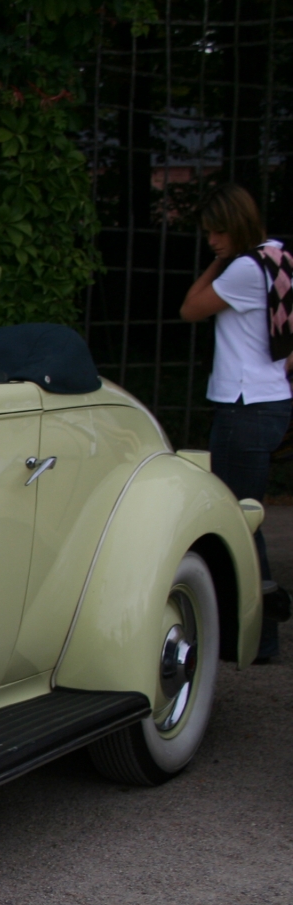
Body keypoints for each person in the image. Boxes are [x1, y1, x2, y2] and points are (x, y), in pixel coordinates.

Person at [180, 182, 292, 661]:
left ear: (238, 226)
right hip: (271, 401)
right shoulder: (278, 256)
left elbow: (191, 308)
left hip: (244, 408)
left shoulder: (245, 268)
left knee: (241, 521)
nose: (212, 242)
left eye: (218, 232)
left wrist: (221, 262)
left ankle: (260, 641)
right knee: (248, 517)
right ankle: (257, 637)